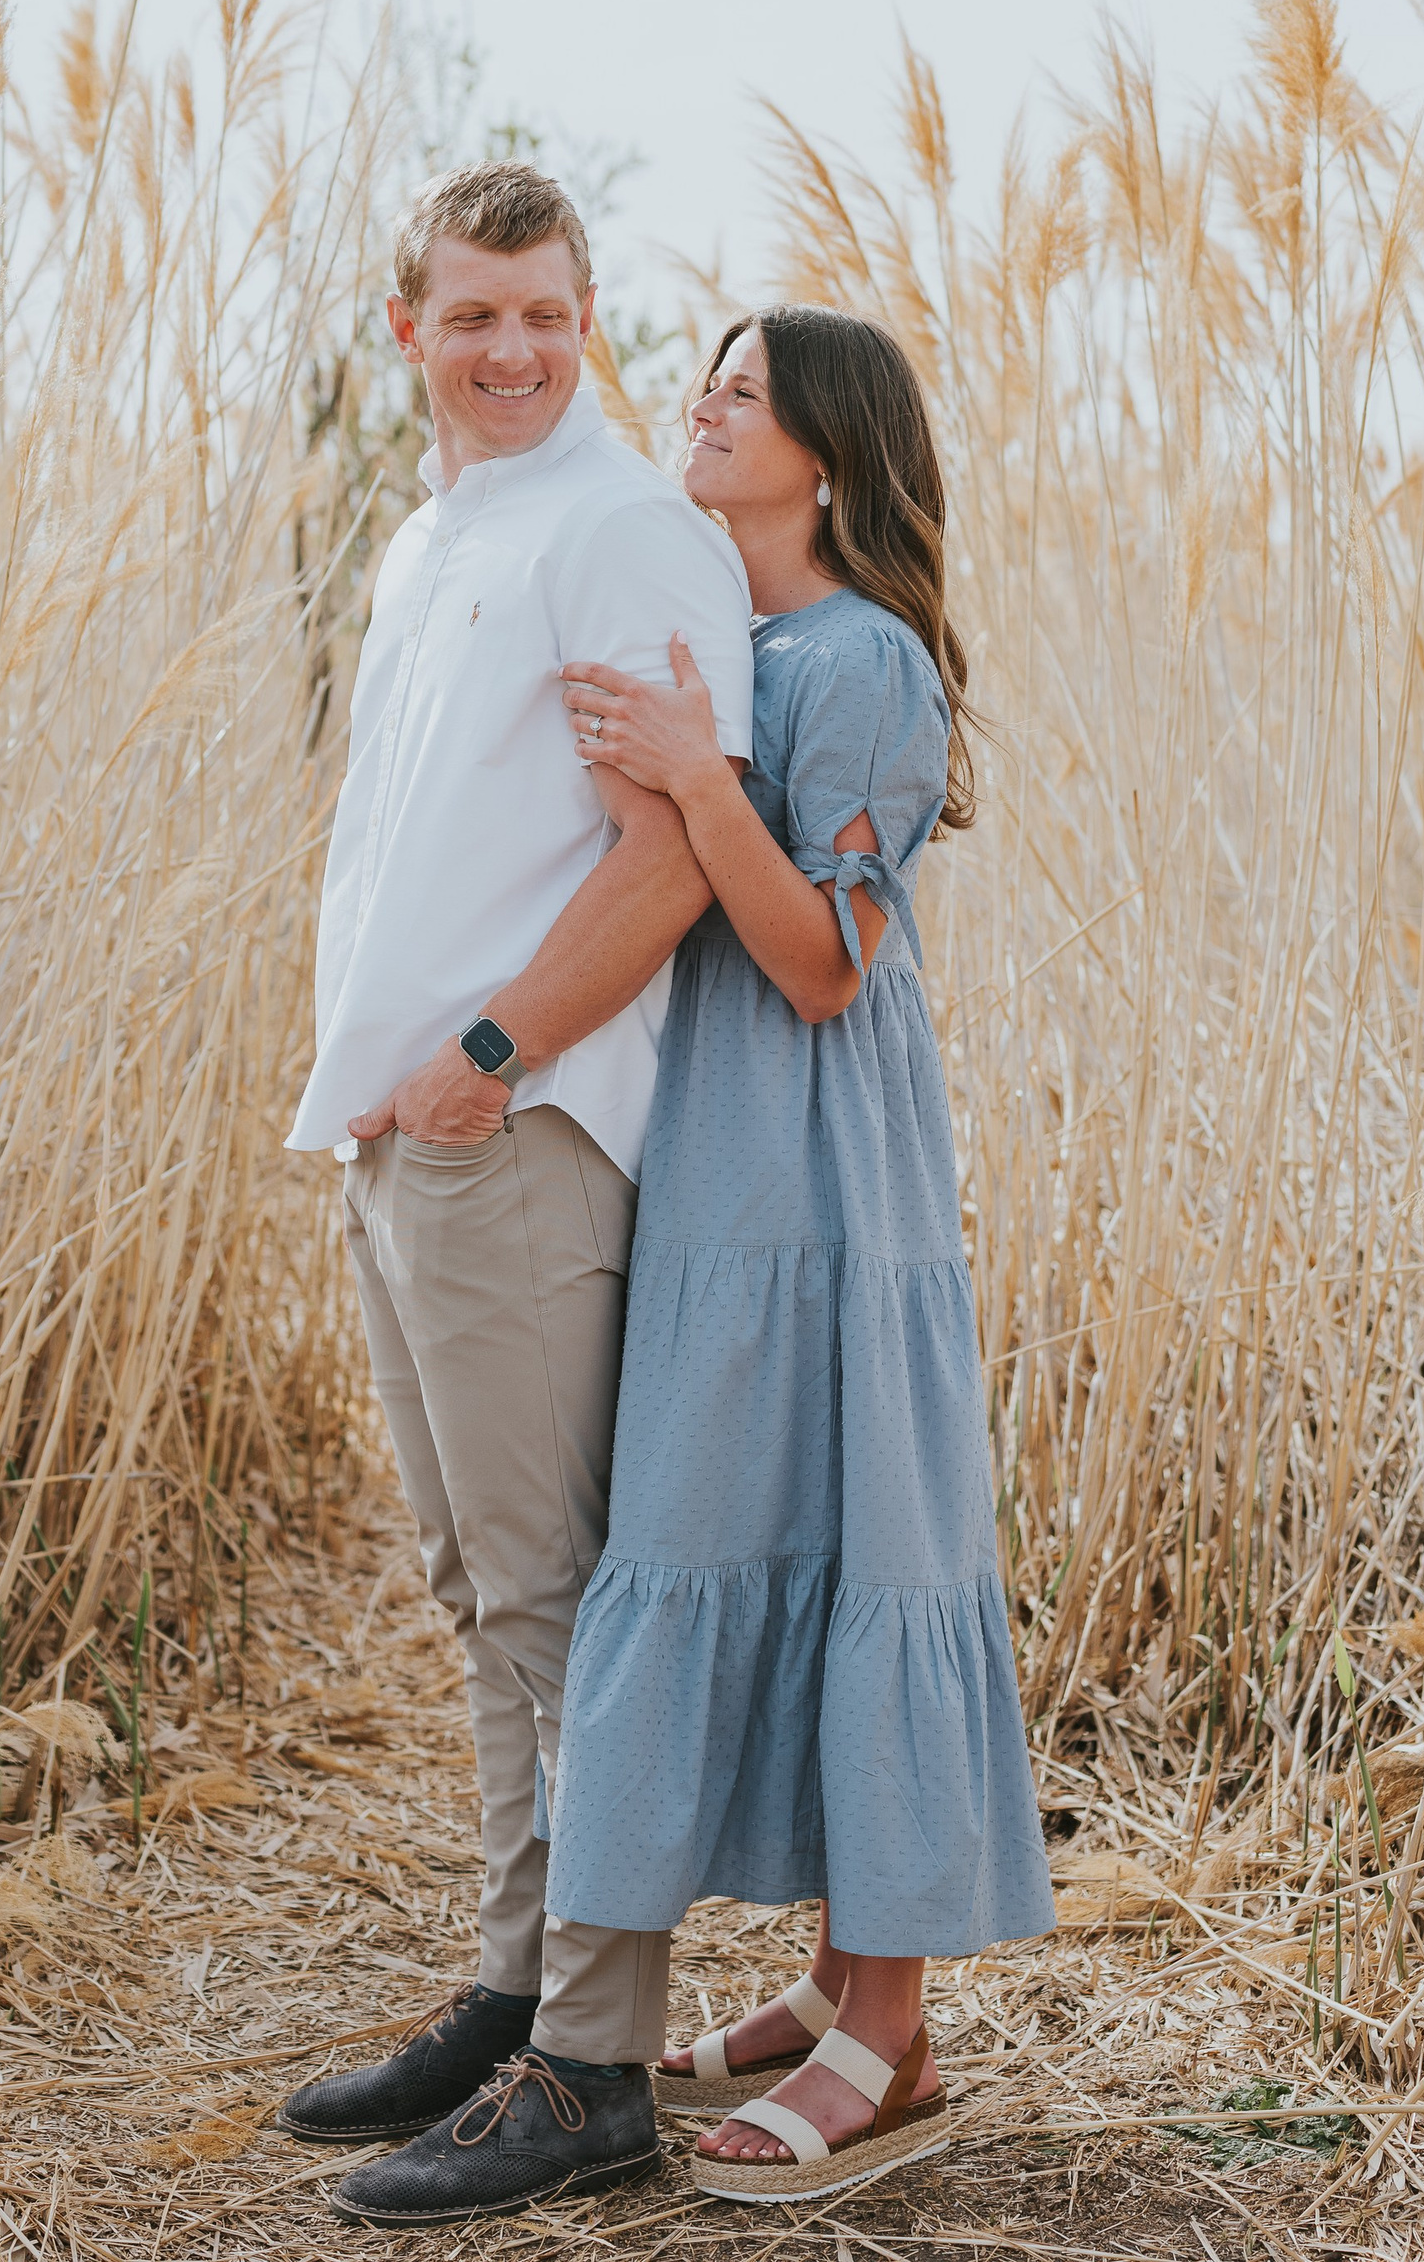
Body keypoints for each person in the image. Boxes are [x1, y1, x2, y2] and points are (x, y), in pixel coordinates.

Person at [272, 163, 756, 2227]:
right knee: (480, 1586)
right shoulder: (430, 536)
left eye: (546, 312)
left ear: (588, 318)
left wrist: (486, 1057)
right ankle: (512, 1990)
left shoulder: (616, 526)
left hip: (518, 1127)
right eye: (473, 314)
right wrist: (397, 1092)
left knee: (558, 1595)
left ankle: (597, 2061)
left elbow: (671, 854)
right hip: (398, 1135)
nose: (513, 349)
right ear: (411, 329)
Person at [544, 303, 1054, 2205]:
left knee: (867, 1522)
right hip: (725, 1153)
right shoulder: (745, 644)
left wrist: (696, 776)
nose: (703, 400)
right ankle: (835, 1978)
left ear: (827, 456)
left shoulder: (866, 658)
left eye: (744, 390)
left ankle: (892, 2026)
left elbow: (828, 964)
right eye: (709, 372)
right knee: (751, 1512)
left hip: (830, 1163)